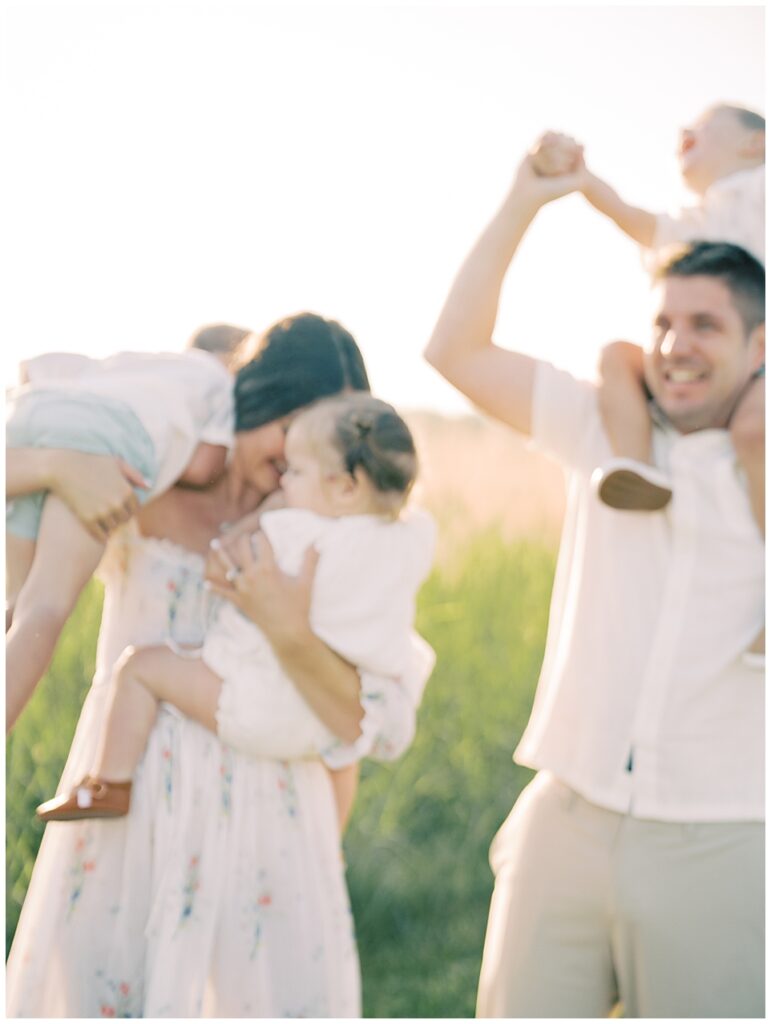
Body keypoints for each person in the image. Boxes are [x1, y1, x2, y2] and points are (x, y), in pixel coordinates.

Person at [7, 313, 434, 1018]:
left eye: (324, 436)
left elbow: (355, 724)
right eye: (291, 425)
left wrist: (285, 625)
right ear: (259, 395)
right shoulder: (156, 472)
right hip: (130, 801)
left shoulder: (333, 546)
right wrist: (52, 463)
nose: (297, 449)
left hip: (272, 825)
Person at [424, 143, 764, 1018]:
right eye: (662, 324)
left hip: (724, 832)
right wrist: (522, 202)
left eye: (704, 327)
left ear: (759, 343)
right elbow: (454, 350)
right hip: (564, 815)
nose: (673, 347)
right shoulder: (598, 429)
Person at [36, 393, 435, 825]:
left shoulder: (295, 534)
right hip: (322, 718)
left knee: (138, 668)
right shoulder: (414, 537)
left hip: (260, 697)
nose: (285, 484)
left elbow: (219, 567)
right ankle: (332, 851)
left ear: (343, 487)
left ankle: (108, 784)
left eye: (297, 472)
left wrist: (261, 515)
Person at [535, 106, 765, 515]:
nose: (682, 130)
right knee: (615, 357)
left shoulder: (759, 191)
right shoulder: (696, 220)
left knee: (754, 430)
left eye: (701, 127)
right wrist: (585, 181)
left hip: (754, 362)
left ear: (756, 143)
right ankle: (636, 469)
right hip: (703, 356)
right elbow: (633, 218)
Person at [6, 344, 236, 729]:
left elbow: (34, 368)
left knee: (16, 603)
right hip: (108, 440)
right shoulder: (221, 385)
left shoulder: (134, 363)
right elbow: (203, 466)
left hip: (37, 412)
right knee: (44, 607)